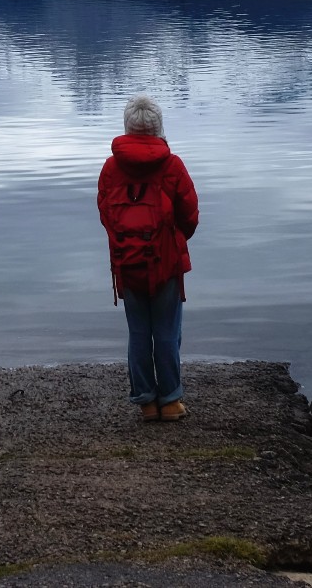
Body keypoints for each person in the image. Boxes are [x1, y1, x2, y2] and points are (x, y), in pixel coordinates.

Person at [97, 95, 200, 421]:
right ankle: (170, 402)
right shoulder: (172, 166)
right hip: (165, 263)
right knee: (167, 332)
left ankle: (146, 402)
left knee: (139, 333)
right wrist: (172, 240)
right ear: (158, 128)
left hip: (128, 264)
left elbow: (105, 213)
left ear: (127, 128)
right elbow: (190, 216)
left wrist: (127, 244)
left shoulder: (112, 168)